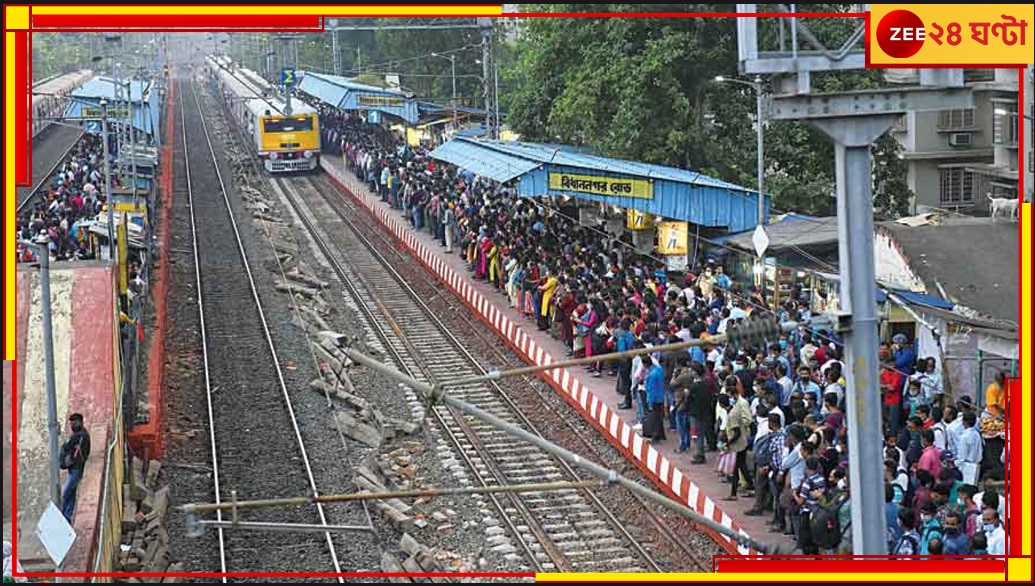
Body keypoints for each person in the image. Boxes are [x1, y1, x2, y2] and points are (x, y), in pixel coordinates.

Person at [723, 382, 753, 500]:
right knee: (741, 466)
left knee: (738, 467)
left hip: (740, 441)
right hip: (739, 441)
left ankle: (735, 493)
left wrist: (728, 443)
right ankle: (749, 487)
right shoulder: (735, 408)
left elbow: (746, 422)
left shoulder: (739, 407)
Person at [59, 413, 91, 523]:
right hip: (74, 469)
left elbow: (66, 447)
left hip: (76, 469)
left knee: (65, 494)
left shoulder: (80, 436)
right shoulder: (80, 435)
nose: (73, 425)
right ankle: (67, 518)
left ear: (81, 422)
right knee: (71, 494)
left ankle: (61, 518)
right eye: (72, 423)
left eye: (75, 422)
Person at [793, 455, 827, 555]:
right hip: (818, 512)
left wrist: (794, 494)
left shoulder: (807, 482)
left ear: (807, 467)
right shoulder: (821, 479)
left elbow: (801, 501)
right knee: (815, 537)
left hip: (807, 513)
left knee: (805, 539)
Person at [956, 412, 983, 485]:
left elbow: (962, 456)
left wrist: (956, 464)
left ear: (964, 422)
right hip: (976, 465)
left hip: (967, 467)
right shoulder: (977, 434)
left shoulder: (964, 437)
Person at [880, 359, 904, 435]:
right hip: (886, 399)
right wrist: (886, 386)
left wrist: (884, 386)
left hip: (894, 400)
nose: (891, 365)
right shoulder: (884, 373)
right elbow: (878, 384)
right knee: (884, 419)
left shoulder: (897, 373)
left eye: (892, 364)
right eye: (889, 364)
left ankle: (893, 435)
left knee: (893, 421)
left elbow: (892, 388)